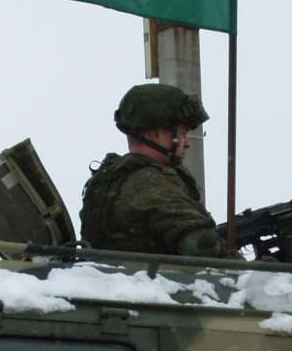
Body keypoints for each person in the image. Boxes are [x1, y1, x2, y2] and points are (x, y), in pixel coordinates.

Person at [79, 83, 223, 257]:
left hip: (134, 280)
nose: (187, 143)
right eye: (182, 134)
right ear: (155, 134)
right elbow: (201, 247)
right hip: (153, 281)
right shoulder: (148, 183)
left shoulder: (120, 176)